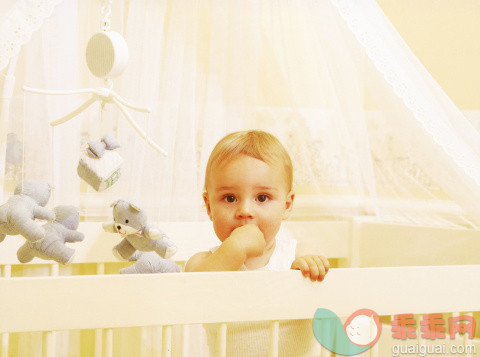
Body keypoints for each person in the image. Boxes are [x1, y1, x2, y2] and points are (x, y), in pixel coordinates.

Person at [185, 129, 329, 279]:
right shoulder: (200, 264)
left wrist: (306, 274)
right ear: (209, 207)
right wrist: (234, 250)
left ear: (286, 205)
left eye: (262, 198)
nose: (245, 211)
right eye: (230, 198)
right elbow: (192, 292)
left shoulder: (299, 255)